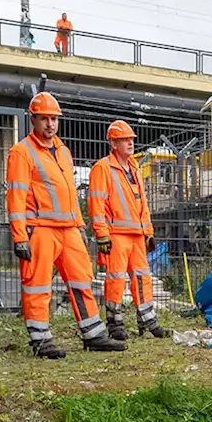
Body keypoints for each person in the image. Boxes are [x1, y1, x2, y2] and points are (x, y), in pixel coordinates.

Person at [6, 92, 126, 358]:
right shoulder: (21, 152)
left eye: (54, 119)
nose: (50, 124)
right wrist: (19, 237)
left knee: (82, 279)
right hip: (39, 228)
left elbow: (70, 191)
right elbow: (15, 195)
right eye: (44, 119)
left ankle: (94, 335)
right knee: (38, 284)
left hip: (68, 229)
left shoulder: (63, 150)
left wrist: (80, 225)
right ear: (33, 120)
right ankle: (41, 340)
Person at [88, 120, 171, 341]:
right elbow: (96, 204)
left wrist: (148, 231)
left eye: (131, 139)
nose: (130, 143)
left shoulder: (134, 168)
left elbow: (142, 203)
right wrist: (102, 234)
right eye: (125, 139)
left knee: (143, 278)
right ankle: (115, 324)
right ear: (113, 143)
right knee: (115, 279)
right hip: (116, 234)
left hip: (136, 235)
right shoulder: (102, 168)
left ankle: (148, 320)